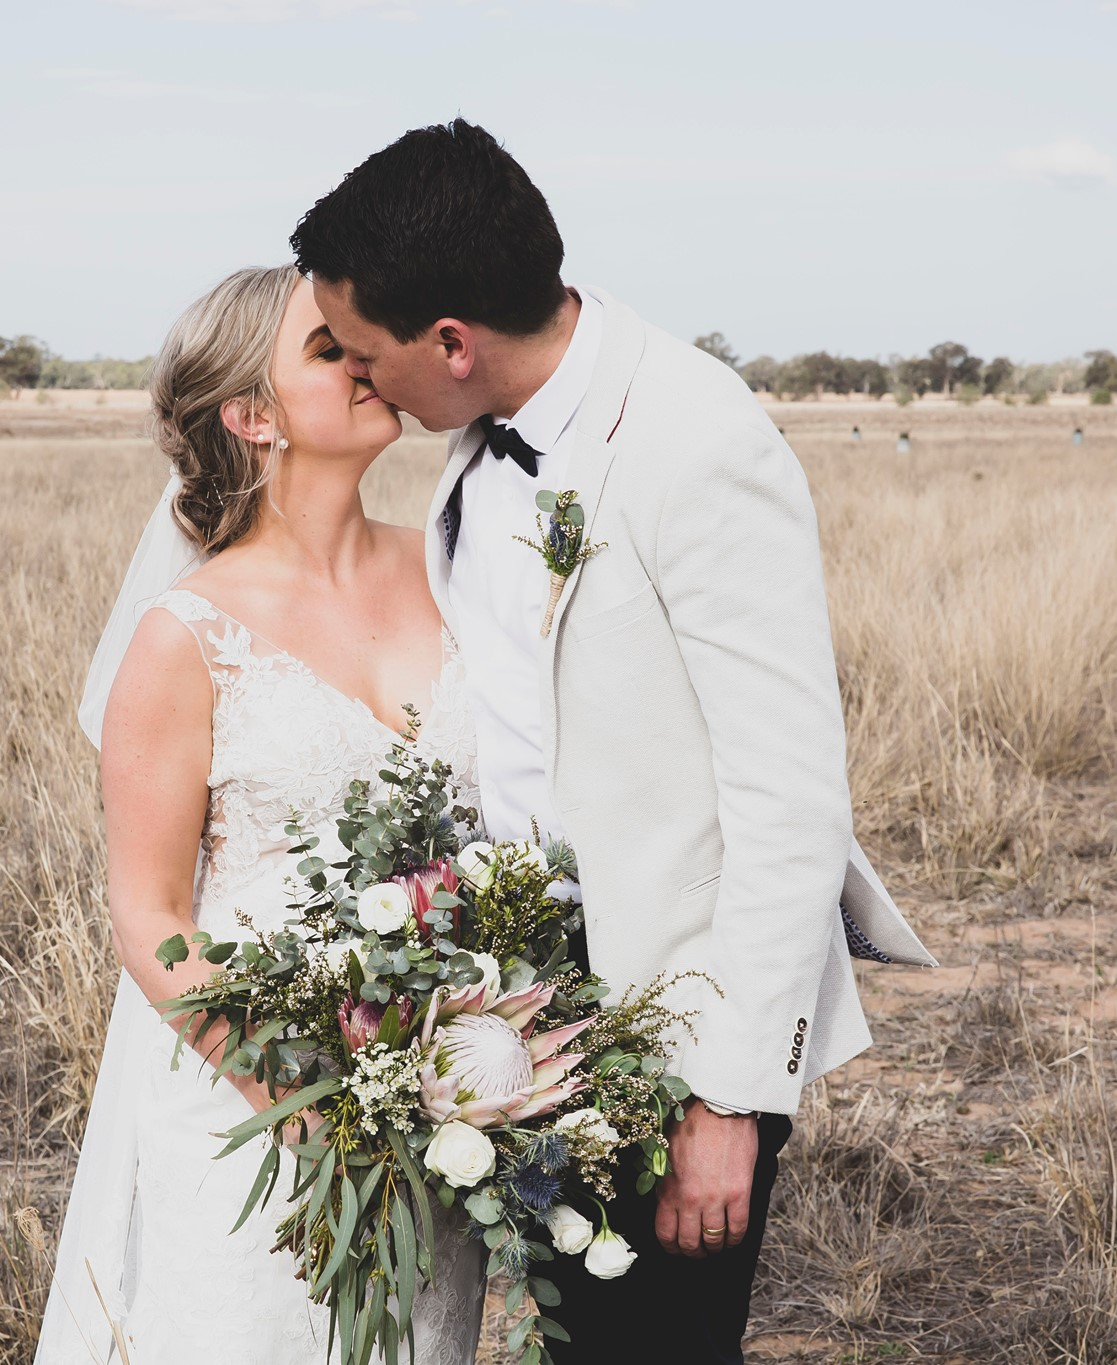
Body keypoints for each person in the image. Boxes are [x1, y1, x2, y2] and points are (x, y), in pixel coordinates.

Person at [289, 120, 935, 1365]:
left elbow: (786, 799)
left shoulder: (698, 441)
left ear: (453, 344)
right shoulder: (471, 448)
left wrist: (726, 1100)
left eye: (367, 356)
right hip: (520, 1012)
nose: (363, 383)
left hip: (674, 1016)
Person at [33, 265, 487, 1364]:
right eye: (329, 352)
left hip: (435, 1090)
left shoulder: (455, 570)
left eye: (362, 341)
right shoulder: (184, 636)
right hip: (259, 1108)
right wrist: (300, 1102)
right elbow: (147, 916)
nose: (367, 362)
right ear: (252, 417)